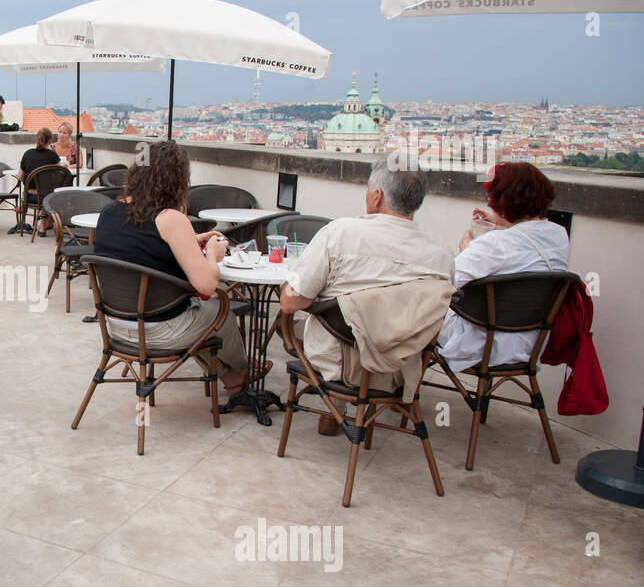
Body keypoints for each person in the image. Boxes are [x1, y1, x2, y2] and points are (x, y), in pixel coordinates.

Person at [279, 157, 455, 434]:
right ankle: (352, 408)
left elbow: (291, 302)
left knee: (287, 324)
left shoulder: (341, 233)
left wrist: (295, 280)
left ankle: (335, 407)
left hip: (341, 365)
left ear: (377, 196)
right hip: (401, 369)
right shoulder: (442, 253)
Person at [92, 141, 251, 389]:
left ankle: (225, 375)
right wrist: (211, 253)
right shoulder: (171, 219)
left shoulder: (109, 211)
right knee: (220, 314)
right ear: (176, 179)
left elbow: (141, 247)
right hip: (160, 331)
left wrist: (191, 241)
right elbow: (207, 286)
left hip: (115, 325)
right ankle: (241, 375)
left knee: (195, 314)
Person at [436, 162, 569, 369]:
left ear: (503, 202)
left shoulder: (494, 244)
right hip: (530, 345)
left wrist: (466, 249)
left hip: (482, 345)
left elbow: (445, 282)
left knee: (420, 309)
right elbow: (523, 247)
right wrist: (503, 222)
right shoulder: (559, 236)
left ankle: (401, 390)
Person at [18, 128, 66, 235]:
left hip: (29, 197)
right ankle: (43, 226)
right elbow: (59, 177)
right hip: (46, 198)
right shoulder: (53, 156)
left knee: (44, 192)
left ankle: (45, 224)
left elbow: (20, 177)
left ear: (36, 139)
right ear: (50, 141)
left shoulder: (28, 154)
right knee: (47, 193)